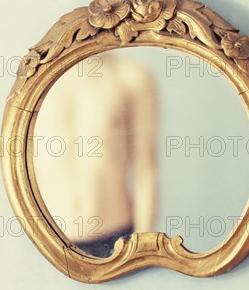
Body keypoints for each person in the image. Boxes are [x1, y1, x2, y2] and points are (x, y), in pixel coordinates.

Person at [33, 51, 158, 257]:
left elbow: (146, 169)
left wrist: (142, 249)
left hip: (113, 235)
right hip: (47, 237)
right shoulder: (37, 79)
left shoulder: (131, 77)